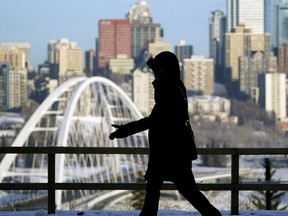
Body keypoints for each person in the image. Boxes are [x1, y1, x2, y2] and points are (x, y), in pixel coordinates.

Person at [109, 51, 221, 216]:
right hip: (173, 150)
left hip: (169, 152)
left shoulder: (171, 92)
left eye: (158, 71)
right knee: (172, 191)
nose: (155, 75)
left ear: (166, 71)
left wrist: (126, 130)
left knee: (172, 191)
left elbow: (154, 120)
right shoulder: (174, 87)